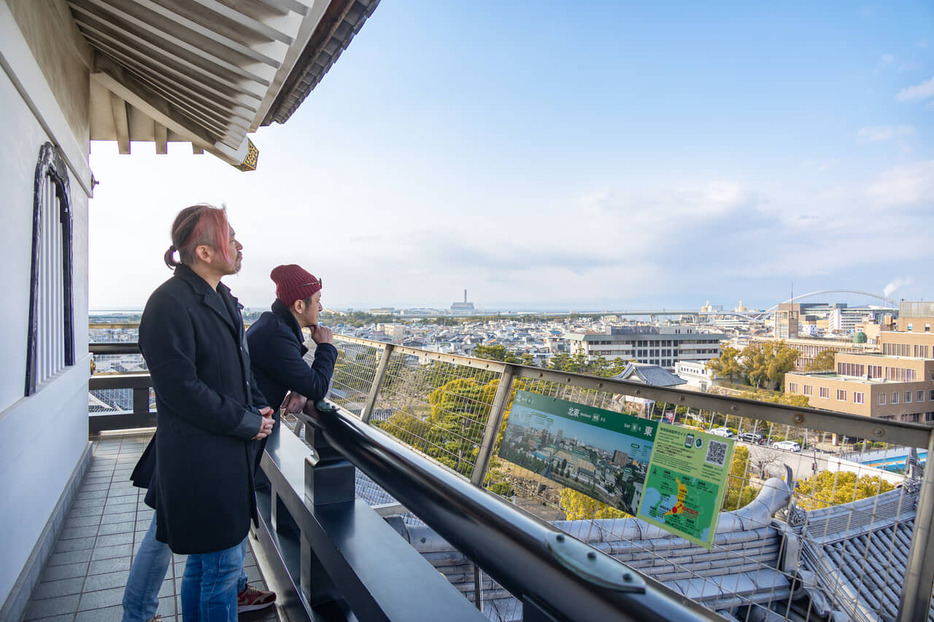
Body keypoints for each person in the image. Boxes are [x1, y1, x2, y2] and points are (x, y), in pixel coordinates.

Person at [130, 204, 275, 622]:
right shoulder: (169, 304)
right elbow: (182, 391)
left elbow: (231, 371)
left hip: (223, 454)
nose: (239, 244)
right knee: (221, 570)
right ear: (206, 252)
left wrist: (254, 405)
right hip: (202, 458)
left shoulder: (220, 298)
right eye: (231, 237)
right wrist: (248, 421)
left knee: (206, 565)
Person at [246, 264, 337, 435]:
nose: (320, 308)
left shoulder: (273, 326)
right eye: (317, 301)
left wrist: (299, 389)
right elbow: (317, 387)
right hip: (248, 432)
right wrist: (326, 347)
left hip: (251, 423)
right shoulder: (277, 336)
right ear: (299, 306)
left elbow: (297, 376)